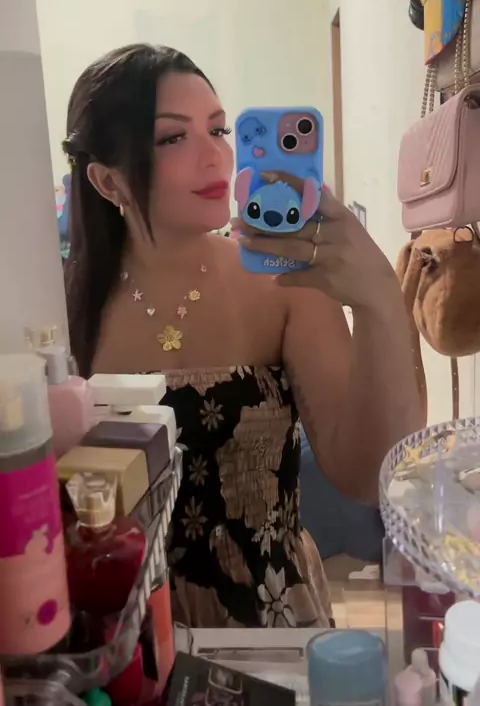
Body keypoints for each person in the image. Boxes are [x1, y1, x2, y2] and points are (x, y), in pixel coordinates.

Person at [63, 43, 423, 629]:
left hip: (270, 617)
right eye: (173, 137)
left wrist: (380, 300)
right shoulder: (58, 311)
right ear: (108, 180)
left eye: (219, 129)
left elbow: (366, 476)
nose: (215, 156)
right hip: (117, 629)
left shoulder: (286, 283)